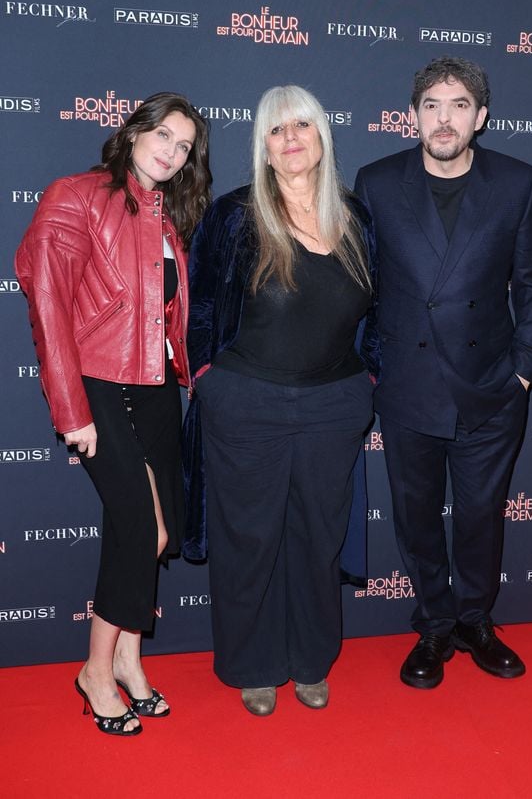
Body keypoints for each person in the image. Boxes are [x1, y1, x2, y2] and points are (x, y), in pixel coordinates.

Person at [355, 57, 532, 689]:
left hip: (491, 388)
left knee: (480, 516)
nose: (445, 118)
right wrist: (369, 371)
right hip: (409, 386)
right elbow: (360, 284)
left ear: (482, 116)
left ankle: (475, 620)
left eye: (460, 105)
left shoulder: (519, 182)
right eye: (433, 105)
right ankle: (435, 625)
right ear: (413, 115)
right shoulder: (378, 181)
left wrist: (524, 372)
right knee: (416, 518)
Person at [15, 93, 211, 734]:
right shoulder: (74, 196)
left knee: (158, 532)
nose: (172, 150)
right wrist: (71, 409)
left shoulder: (167, 216)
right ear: (132, 132)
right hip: (98, 384)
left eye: (184, 146)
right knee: (137, 529)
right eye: (163, 134)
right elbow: (48, 307)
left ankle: (128, 657)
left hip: (155, 388)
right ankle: (95, 670)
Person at [182, 85, 378, 716]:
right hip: (246, 401)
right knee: (251, 537)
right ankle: (255, 664)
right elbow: (200, 306)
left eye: (302, 126)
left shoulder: (356, 217)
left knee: (318, 536)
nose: (291, 138)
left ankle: (310, 660)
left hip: (334, 407)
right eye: (275, 130)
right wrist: (208, 376)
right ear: (263, 148)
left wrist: (367, 378)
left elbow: (382, 312)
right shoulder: (234, 215)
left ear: (322, 135)